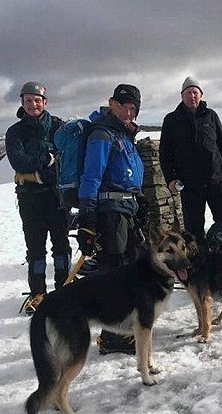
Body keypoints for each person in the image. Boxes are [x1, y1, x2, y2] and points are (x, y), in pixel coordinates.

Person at [76, 84, 145, 354]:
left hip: (126, 210)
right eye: (124, 105)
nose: (129, 112)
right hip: (109, 213)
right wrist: (87, 217)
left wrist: (139, 199)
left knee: (128, 269)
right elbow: (92, 176)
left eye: (133, 108)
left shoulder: (122, 135)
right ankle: (110, 336)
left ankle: (122, 329)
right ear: (112, 103)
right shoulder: (102, 134)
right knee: (113, 273)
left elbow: (128, 174)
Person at [5, 81, 71, 315]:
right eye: (28, 100)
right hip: (29, 198)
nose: (33, 104)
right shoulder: (15, 132)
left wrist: (41, 169)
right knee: (35, 247)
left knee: (61, 244)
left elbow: (67, 158)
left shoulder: (59, 127)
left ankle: (65, 290)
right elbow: (18, 161)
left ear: (45, 102)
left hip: (56, 196)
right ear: (22, 103)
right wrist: (47, 159)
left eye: (37, 100)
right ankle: (38, 293)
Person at [159, 76, 222, 248]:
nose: (192, 96)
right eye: (188, 93)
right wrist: (171, 179)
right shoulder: (171, 120)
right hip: (189, 185)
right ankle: (201, 264)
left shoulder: (211, 116)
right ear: (182, 96)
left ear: (200, 95)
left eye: (195, 92)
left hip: (216, 181)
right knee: (194, 230)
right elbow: (165, 153)